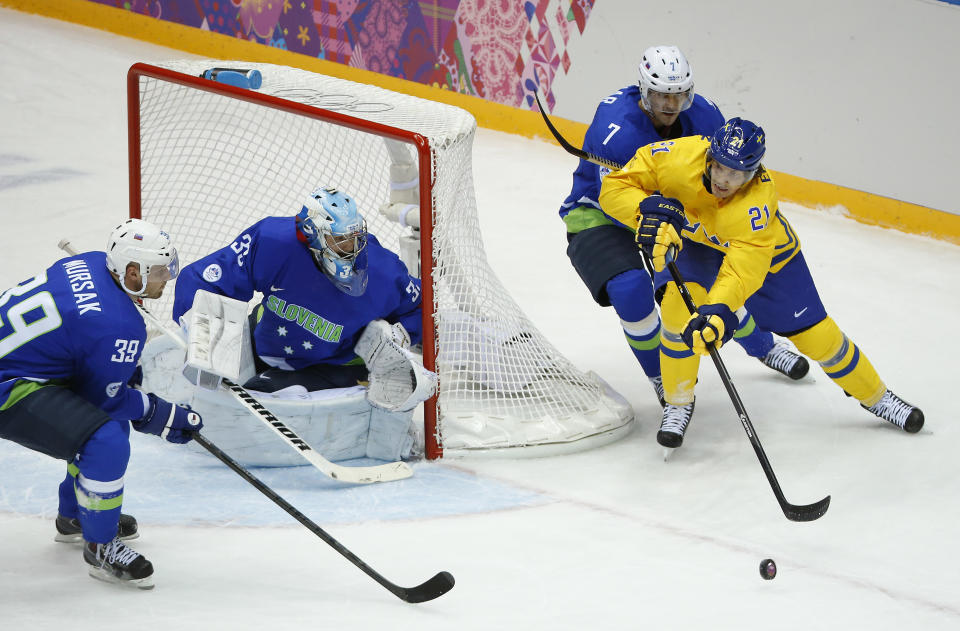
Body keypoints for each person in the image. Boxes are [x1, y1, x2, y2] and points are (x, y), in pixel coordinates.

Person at [598, 117, 924, 449]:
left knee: (818, 337)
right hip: (697, 246)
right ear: (710, 156)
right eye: (721, 167)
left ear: (752, 173)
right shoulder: (676, 157)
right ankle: (678, 403)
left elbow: (742, 271)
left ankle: (878, 397)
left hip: (765, 255)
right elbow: (614, 187)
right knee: (676, 315)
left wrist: (719, 309)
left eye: (737, 173)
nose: (725, 179)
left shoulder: (757, 205)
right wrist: (644, 213)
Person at [559, 45, 808, 406]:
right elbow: (613, 195)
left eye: (678, 95)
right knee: (630, 289)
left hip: (676, 212)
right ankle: (662, 377)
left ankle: (762, 345)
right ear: (644, 90)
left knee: (702, 287)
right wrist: (653, 216)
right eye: (661, 94)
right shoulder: (615, 128)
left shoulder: (705, 116)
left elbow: (725, 174)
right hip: (602, 211)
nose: (670, 104)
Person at [0, 218, 203, 589]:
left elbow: (85, 348)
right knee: (104, 438)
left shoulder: (91, 261)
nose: (165, 279)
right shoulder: (117, 325)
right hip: (9, 387)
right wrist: (161, 414)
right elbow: (105, 401)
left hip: (22, 365)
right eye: (158, 272)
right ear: (130, 271)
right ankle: (100, 547)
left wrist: (122, 374)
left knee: (100, 429)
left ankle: (76, 515)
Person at [172, 185, 424, 396]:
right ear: (311, 233)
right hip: (263, 345)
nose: (351, 248)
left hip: (332, 366)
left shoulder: (382, 271)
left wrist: (401, 334)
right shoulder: (273, 241)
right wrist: (200, 328)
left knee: (260, 392)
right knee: (210, 386)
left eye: (355, 237)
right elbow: (204, 277)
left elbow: (422, 306)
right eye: (339, 240)